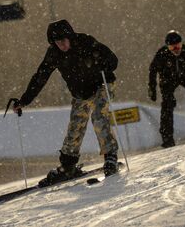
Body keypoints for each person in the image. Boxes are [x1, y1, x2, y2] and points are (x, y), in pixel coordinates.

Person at [11, 19, 119, 186]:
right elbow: (41, 76)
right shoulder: (54, 53)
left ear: (70, 36)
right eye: (57, 42)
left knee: (98, 116)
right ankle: (68, 165)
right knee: (76, 125)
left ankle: (110, 156)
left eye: (63, 41)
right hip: (80, 93)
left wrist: (105, 63)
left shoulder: (86, 42)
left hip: (101, 85)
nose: (61, 45)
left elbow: (113, 59)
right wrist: (24, 100)